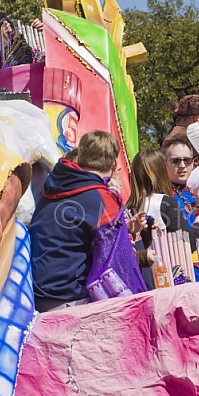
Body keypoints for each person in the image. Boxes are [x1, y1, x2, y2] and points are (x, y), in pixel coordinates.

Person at [29, 131, 140, 311]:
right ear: (113, 165)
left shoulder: (52, 187)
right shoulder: (102, 200)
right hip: (71, 301)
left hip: (37, 295)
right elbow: (120, 262)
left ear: (80, 158)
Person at [127, 148, 199, 250]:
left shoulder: (128, 207)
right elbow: (186, 244)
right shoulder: (167, 203)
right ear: (162, 172)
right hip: (165, 263)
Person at [161, 138, 199, 228]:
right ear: (165, 164)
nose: (182, 165)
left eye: (187, 160)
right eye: (176, 161)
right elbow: (187, 233)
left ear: (192, 163)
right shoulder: (163, 196)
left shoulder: (188, 193)